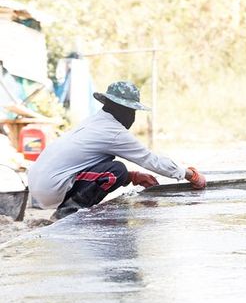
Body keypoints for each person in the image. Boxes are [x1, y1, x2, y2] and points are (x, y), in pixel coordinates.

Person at [28, 81, 207, 220]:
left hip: (39, 186)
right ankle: (67, 213)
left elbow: (86, 165)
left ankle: (68, 208)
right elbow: (150, 159)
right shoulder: (112, 131)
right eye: (133, 112)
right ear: (125, 111)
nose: (133, 117)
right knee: (117, 170)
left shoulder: (94, 122)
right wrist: (190, 175)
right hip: (51, 188)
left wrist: (133, 177)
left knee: (117, 171)